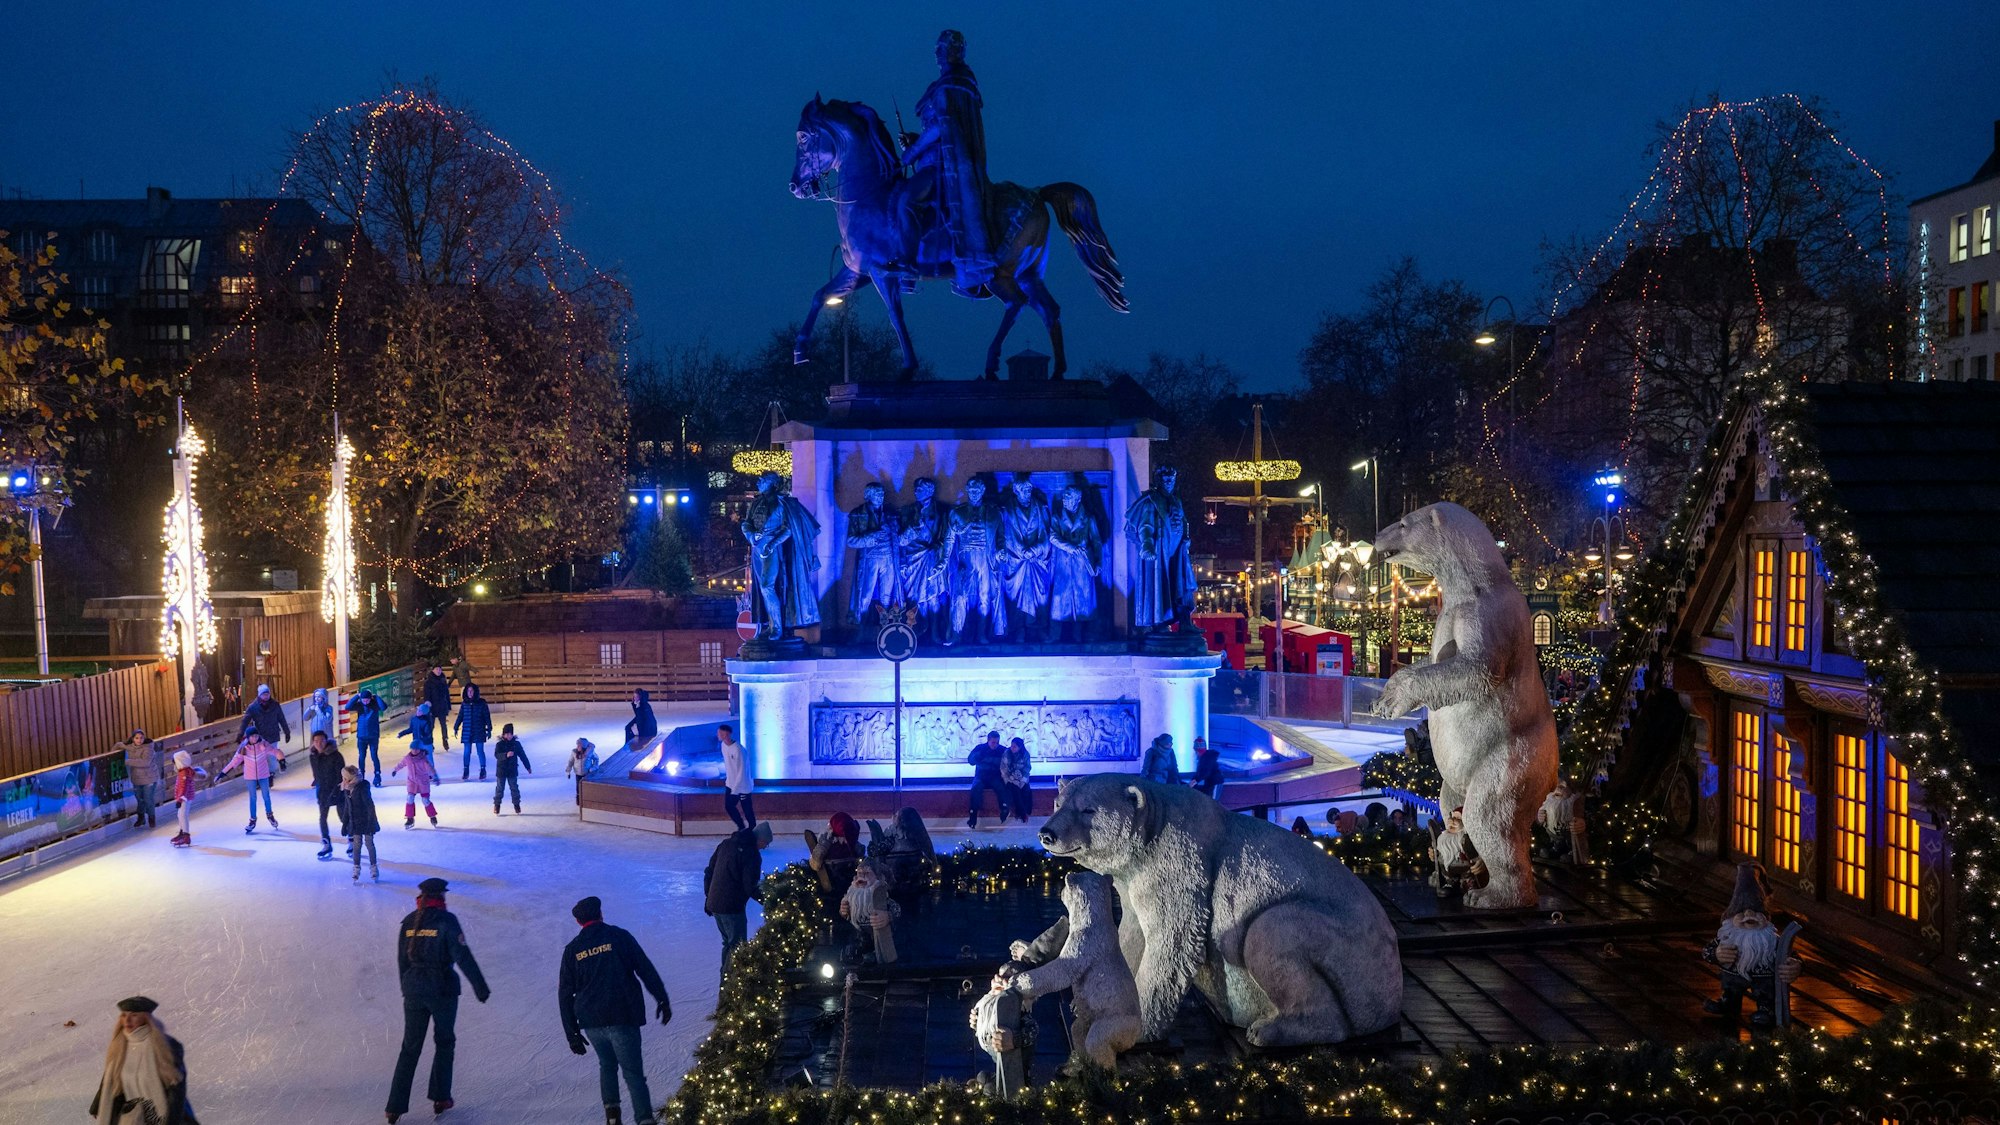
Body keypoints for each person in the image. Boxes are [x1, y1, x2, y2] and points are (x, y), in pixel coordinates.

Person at [558, 896, 672, 1125]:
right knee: (633, 1074)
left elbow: (564, 994)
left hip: (591, 1022)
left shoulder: (572, 950)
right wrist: (662, 999)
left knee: (607, 1065)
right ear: (601, 914)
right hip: (622, 1016)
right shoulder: (619, 936)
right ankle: (645, 1120)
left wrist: (572, 1034)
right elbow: (644, 968)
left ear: (579, 922)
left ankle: (612, 1118)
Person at [385, 877, 490, 1122]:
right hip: (442, 991)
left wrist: (407, 988)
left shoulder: (409, 921)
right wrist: (480, 987)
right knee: (444, 1042)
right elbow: (462, 955)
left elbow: (402, 961)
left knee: (409, 1048)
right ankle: (440, 1097)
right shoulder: (447, 920)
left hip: (413, 991)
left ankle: (394, 1107)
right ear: (441, 896)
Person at [902, 29, 997, 296]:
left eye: (940, 49)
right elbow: (937, 128)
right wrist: (913, 141)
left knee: (907, 198)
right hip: (934, 158)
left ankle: (906, 266)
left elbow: (943, 127)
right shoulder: (954, 82)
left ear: (951, 52)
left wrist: (912, 153)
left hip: (944, 165)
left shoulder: (954, 83)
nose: (937, 54)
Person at [89, 996, 196, 1125]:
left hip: (164, 1115)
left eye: (134, 1015)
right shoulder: (119, 1045)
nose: (127, 1020)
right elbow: (110, 1079)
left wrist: (171, 1121)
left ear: (146, 1018)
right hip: (132, 1115)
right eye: (123, 1015)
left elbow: (177, 1089)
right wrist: (98, 1105)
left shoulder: (166, 1046)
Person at [703, 821, 773, 976]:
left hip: (715, 904)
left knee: (728, 944)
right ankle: (729, 985)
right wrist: (769, 900)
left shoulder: (726, 844)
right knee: (737, 946)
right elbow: (750, 886)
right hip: (731, 907)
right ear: (760, 840)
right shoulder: (752, 854)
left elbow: (709, 871)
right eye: (766, 844)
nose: (764, 847)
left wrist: (708, 897)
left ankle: (725, 980)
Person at [218, 733, 284, 834]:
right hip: (250, 777)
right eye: (252, 736)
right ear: (248, 737)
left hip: (263, 775)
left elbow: (275, 752)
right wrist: (223, 772)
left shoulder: (263, 745)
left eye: (256, 736)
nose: (254, 738)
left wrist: (282, 761)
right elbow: (234, 761)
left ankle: (270, 815)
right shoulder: (244, 748)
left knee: (266, 796)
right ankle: (252, 820)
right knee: (252, 798)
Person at [839, 858, 898, 964]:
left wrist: (888, 916)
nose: (861, 877)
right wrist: (844, 912)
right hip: (859, 936)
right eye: (859, 873)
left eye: (866, 873)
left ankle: (874, 954)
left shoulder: (882, 897)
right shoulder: (852, 896)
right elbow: (849, 915)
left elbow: (896, 910)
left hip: (879, 937)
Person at [308, 730, 350, 859]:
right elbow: (316, 773)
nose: (319, 743)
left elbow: (342, 775)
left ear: (326, 741)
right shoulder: (313, 756)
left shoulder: (336, 755)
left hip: (337, 790)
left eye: (321, 740)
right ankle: (326, 843)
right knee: (322, 818)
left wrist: (339, 790)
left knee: (343, 817)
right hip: (322, 791)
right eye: (316, 741)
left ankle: (352, 841)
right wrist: (317, 782)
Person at [119, 729, 163, 831]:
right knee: (140, 800)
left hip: (149, 778)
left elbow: (145, 762)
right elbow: (119, 745)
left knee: (148, 800)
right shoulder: (130, 747)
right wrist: (112, 754)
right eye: (137, 738)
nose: (139, 740)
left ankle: (151, 818)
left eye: (141, 738)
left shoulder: (149, 748)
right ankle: (141, 818)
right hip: (137, 779)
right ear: (133, 739)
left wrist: (127, 761)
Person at [344, 765, 381, 882]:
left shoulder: (362, 788)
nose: (343, 780)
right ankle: (356, 867)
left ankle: (373, 867)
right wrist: (345, 823)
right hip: (355, 822)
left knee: (369, 843)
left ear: (350, 778)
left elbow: (370, 805)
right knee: (356, 845)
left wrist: (371, 822)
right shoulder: (347, 789)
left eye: (344, 778)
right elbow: (347, 807)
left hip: (366, 821)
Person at [391, 742, 440, 829]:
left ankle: (432, 816)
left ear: (420, 749)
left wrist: (435, 777)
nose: (414, 751)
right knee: (410, 798)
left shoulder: (423, 759)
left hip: (423, 783)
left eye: (416, 749)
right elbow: (401, 764)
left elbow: (430, 768)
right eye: (412, 749)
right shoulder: (408, 758)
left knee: (425, 800)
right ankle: (410, 818)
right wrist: (395, 770)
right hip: (412, 782)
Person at [965, 730, 1009, 828]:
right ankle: (973, 817)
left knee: (1001, 788)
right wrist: (980, 755)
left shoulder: (1002, 750)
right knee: (975, 789)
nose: (995, 745)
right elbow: (970, 761)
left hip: (995, 776)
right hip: (981, 776)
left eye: (997, 742)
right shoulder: (980, 748)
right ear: (988, 741)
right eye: (993, 742)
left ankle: (1004, 810)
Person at [716, 724, 754, 829]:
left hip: (742, 786)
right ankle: (741, 827)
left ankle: (752, 829)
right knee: (728, 806)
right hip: (730, 783)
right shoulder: (723, 745)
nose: (717, 735)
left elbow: (742, 771)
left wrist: (735, 790)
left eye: (720, 733)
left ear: (726, 734)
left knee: (747, 810)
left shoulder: (738, 750)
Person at [345, 688, 385, 785]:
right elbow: (347, 707)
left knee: (374, 755)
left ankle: (377, 774)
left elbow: (383, 707)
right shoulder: (359, 706)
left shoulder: (375, 705)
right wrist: (357, 696)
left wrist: (376, 697)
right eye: (363, 700)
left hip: (373, 736)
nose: (365, 702)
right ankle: (361, 775)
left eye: (367, 700)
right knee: (362, 756)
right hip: (362, 736)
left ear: (370, 699)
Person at [167, 750, 206, 848]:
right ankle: (182, 832)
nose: (174, 765)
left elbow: (183, 788)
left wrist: (180, 800)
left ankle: (186, 836)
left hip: (185, 797)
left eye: (175, 763)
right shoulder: (184, 771)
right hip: (184, 797)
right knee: (180, 815)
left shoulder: (184, 772)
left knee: (183, 815)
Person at [454, 684, 492, 781]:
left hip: (479, 729)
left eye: (472, 691)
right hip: (467, 730)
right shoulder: (464, 703)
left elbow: (486, 716)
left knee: (480, 751)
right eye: (468, 691)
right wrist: (456, 726)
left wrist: (489, 728)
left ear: (475, 692)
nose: (470, 693)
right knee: (467, 751)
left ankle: (483, 769)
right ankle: (466, 769)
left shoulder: (482, 703)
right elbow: (461, 716)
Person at [491, 723, 531, 815]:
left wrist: (528, 766)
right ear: (503, 734)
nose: (509, 736)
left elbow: (522, 755)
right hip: (501, 771)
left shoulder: (516, 744)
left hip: (512, 770)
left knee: (514, 788)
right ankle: (497, 805)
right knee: (500, 788)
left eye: (510, 734)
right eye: (507, 734)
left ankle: (516, 804)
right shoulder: (499, 744)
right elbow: (497, 755)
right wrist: (506, 755)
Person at [1001, 736, 1033, 823]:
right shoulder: (1007, 753)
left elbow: (1027, 768)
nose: (1012, 748)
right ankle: (1022, 814)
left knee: (1026, 790)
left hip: (1021, 778)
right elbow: (1004, 768)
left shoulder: (1025, 754)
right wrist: (1011, 779)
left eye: (1015, 747)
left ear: (1020, 747)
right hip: (1009, 778)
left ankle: (1026, 811)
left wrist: (1022, 780)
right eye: (1012, 746)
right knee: (1015, 791)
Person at [423, 666, 453, 752]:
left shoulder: (443, 680)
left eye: (440, 669)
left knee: (443, 724)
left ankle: (445, 739)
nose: (438, 671)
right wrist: (427, 706)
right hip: (432, 707)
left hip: (442, 706)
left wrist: (448, 705)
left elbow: (446, 693)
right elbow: (426, 695)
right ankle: (430, 743)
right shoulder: (428, 682)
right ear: (433, 670)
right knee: (431, 726)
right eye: (436, 669)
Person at [397, 701, 438, 766]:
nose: (418, 712)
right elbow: (411, 729)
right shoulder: (414, 719)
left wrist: (422, 736)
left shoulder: (428, 721)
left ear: (424, 713)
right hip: (417, 743)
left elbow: (428, 733)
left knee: (429, 760)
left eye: (420, 711)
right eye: (418, 710)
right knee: (418, 761)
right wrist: (401, 733)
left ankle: (432, 775)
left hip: (426, 743)